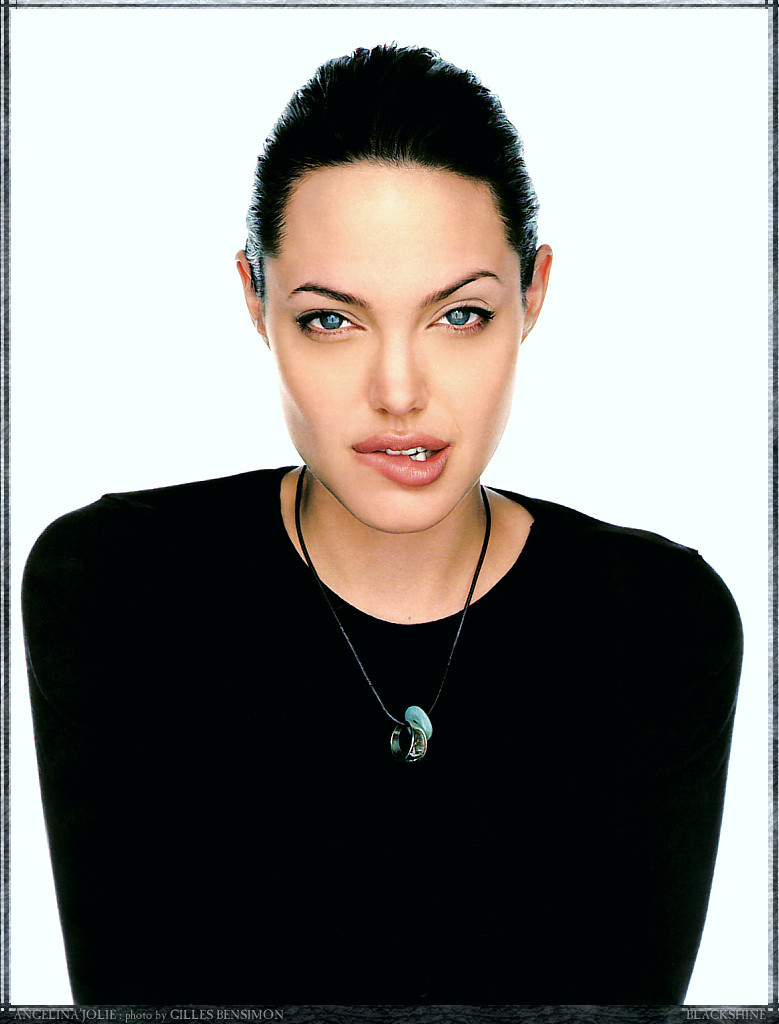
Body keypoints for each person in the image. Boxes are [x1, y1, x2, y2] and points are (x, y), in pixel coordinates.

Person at [22, 44, 742, 1007]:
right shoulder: (116, 588)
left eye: (459, 315)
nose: (398, 392)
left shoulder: (656, 624)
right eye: (332, 319)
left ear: (532, 294)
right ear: (254, 298)